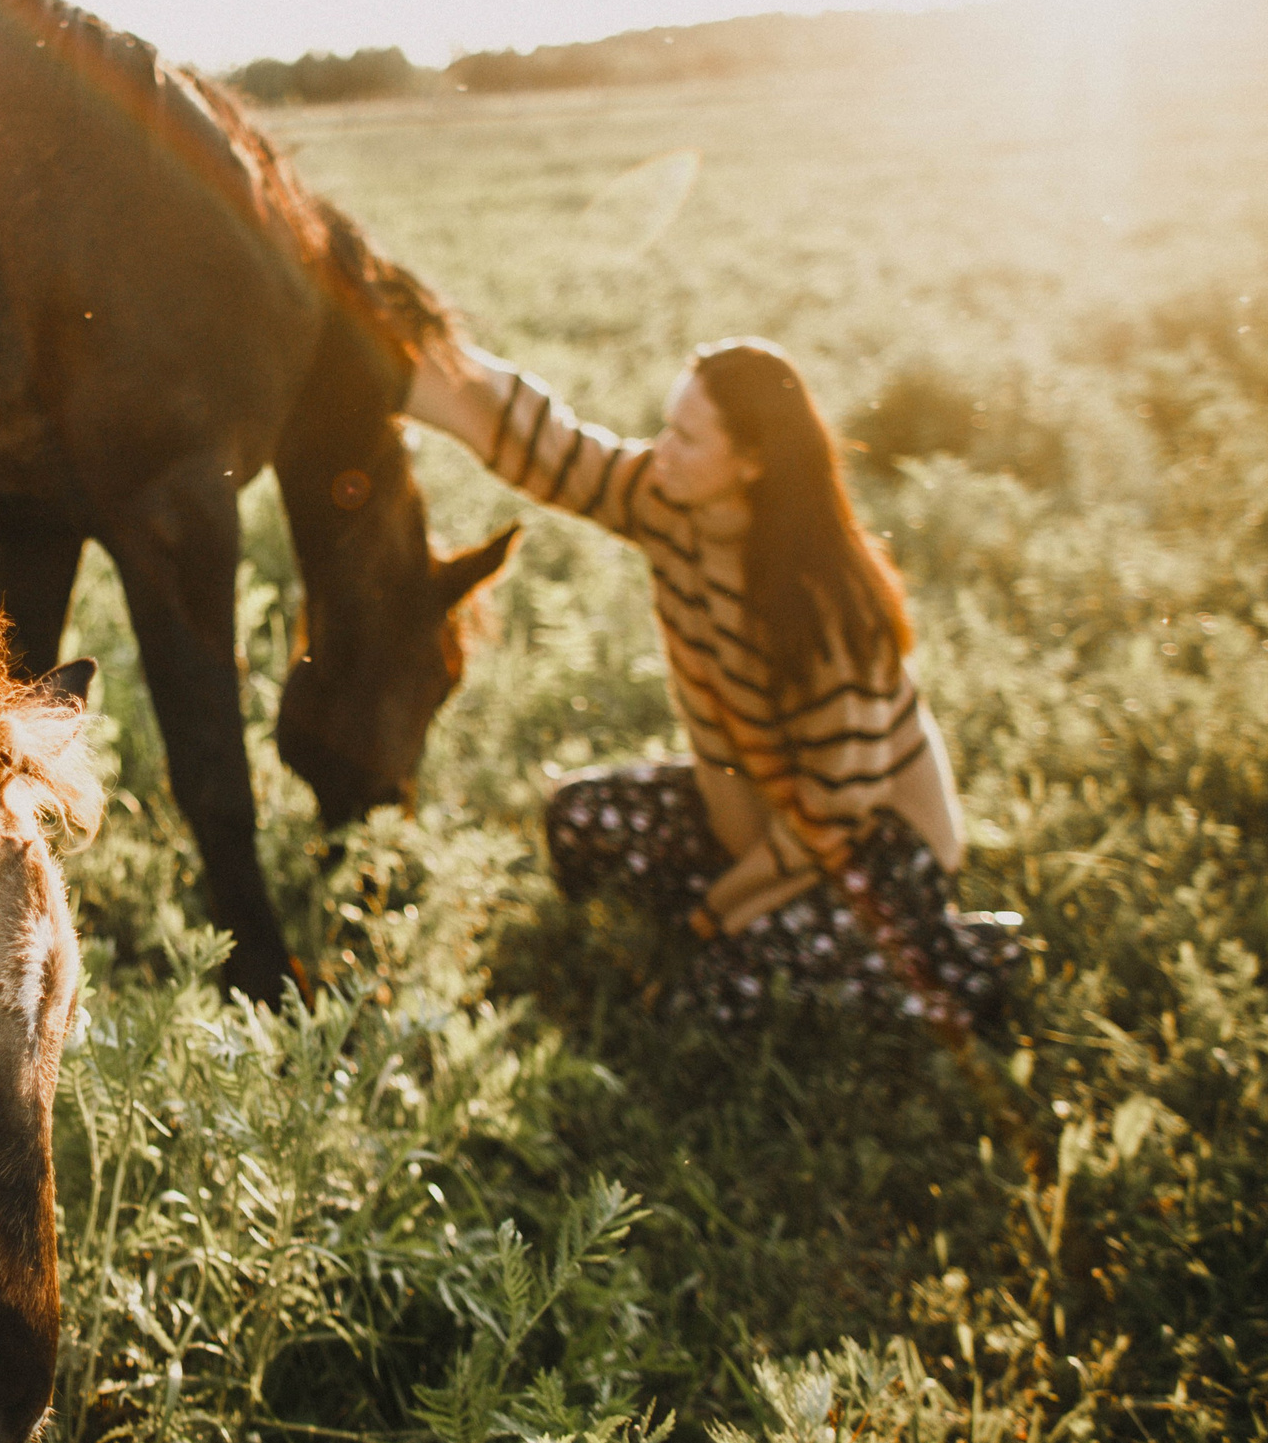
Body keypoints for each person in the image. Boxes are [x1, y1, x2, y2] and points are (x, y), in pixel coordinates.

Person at [406, 336, 1019, 1032]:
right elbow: (558, 453)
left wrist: (719, 912)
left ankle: (960, 965)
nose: (661, 448)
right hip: (754, 809)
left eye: (687, 438)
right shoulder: (668, 500)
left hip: (875, 847)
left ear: (751, 464)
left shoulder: (828, 606)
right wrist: (419, 360)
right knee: (578, 817)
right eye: (667, 426)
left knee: (715, 999)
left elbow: (834, 814)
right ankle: (788, 941)